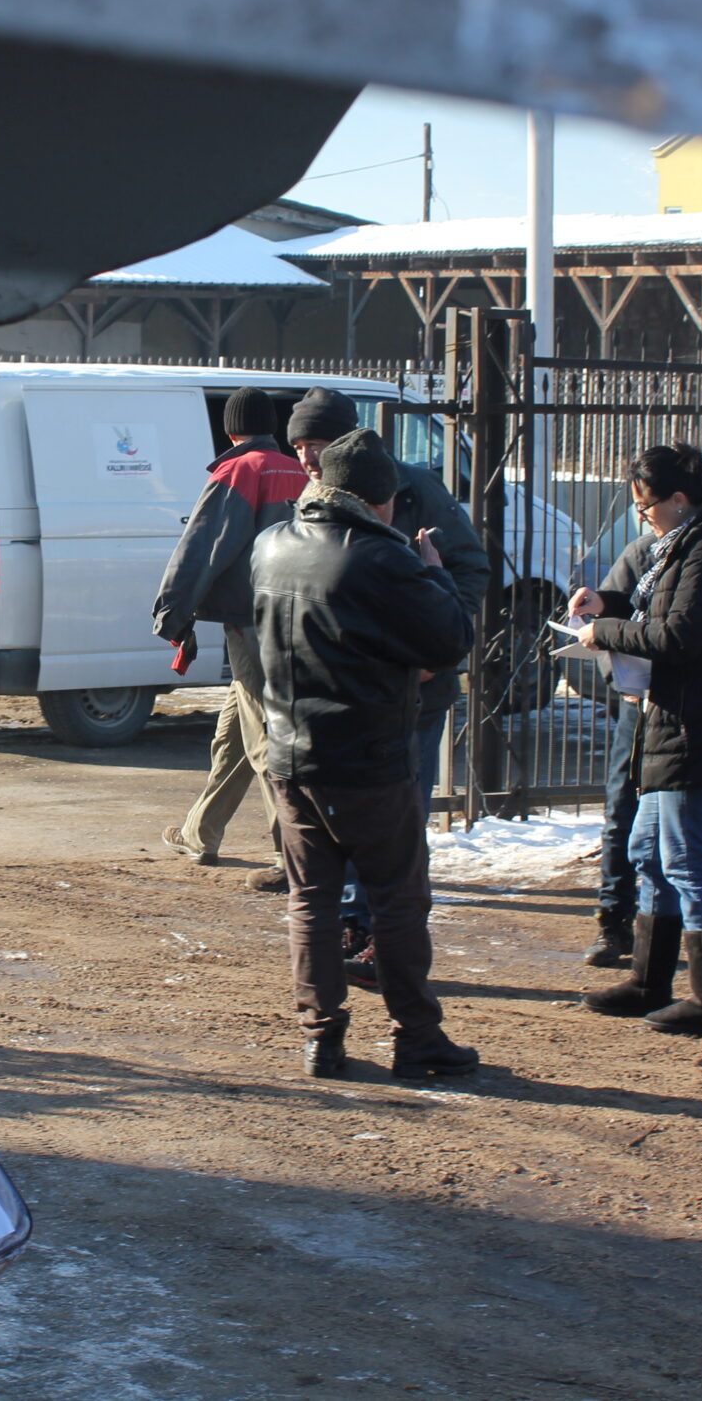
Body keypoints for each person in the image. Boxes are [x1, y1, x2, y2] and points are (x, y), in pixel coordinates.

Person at [251, 428, 480, 1081]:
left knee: (313, 900)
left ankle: (321, 1036)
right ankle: (417, 1035)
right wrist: (433, 571)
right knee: (398, 899)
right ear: (383, 500)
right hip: (370, 757)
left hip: (292, 755)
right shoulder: (383, 557)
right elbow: (450, 637)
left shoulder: (270, 546)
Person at [283, 388, 487, 962]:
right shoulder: (308, 499)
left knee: (400, 819)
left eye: (316, 444)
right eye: (298, 445)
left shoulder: (415, 490)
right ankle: (354, 921)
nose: (305, 458)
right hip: (349, 694)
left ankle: (385, 938)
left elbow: (467, 570)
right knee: (342, 819)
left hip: (416, 692)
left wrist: (431, 657)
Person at [573, 443, 702, 1037]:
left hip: (698, 727)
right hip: (671, 722)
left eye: (647, 504)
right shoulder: (678, 547)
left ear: (681, 500)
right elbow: (657, 608)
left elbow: (681, 634)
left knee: (686, 862)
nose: (642, 516)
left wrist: (606, 630)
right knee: (648, 854)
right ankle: (648, 981)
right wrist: (611, 605)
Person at [153, 387, 309, 876]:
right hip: (293, 618)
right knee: (233, 734)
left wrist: (172, 611)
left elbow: (203, 544)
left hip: (248, 619)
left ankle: (295, 855)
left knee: (263, 734)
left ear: (230, 429)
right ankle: (202, 832)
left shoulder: (239, 470)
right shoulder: (299, 471)